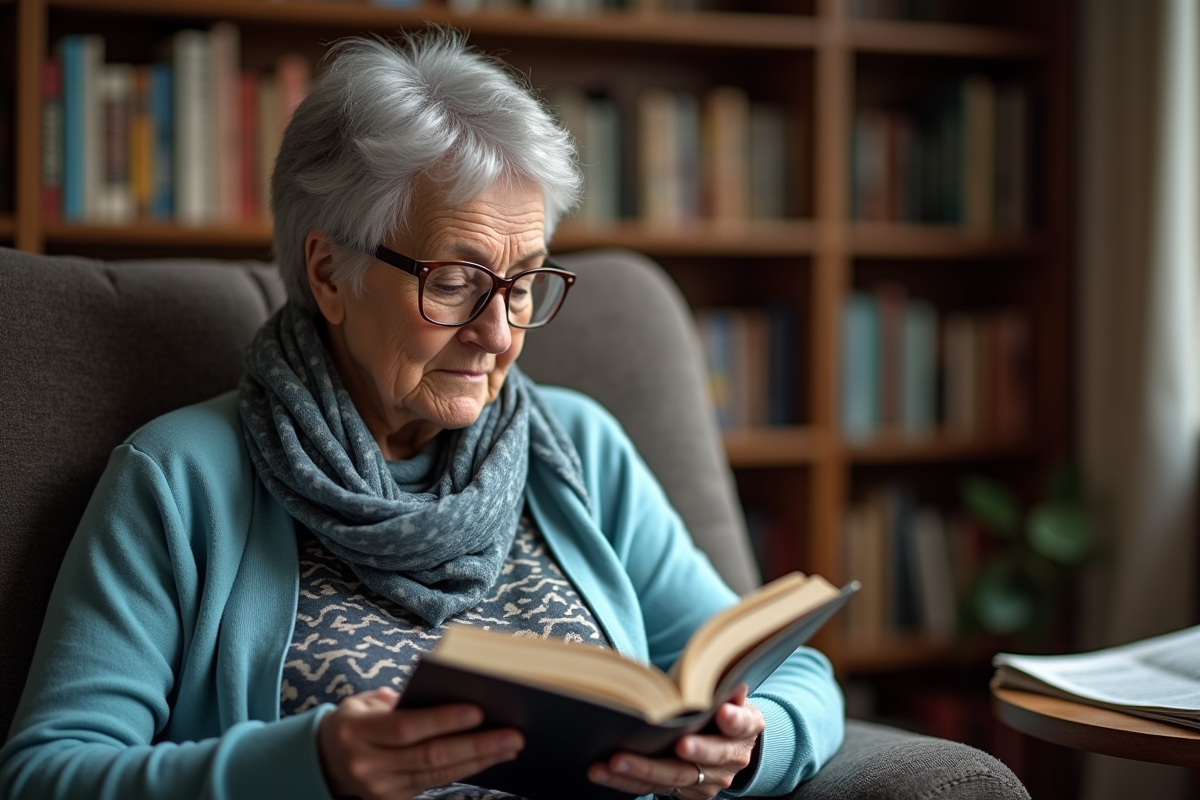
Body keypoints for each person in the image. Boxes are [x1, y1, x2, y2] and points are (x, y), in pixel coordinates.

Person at [0, 28, 844, 800]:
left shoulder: (578, 446)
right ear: (329, 273)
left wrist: (749, 745)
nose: (497, 333)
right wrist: (312, 765)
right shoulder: (180, 479)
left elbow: (792, 676)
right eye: (455, 281)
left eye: (523, 283)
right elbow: (48, 773)